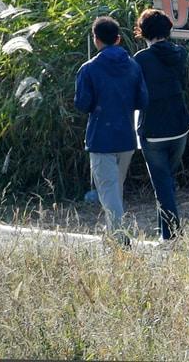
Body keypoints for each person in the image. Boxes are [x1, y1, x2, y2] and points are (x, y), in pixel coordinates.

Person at [73, 16, 148, 244]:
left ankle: (120, 239)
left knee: (108, 191)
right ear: (117, 39)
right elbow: (142, 101)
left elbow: (82, 104)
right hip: (126, 138)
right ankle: (113, 237)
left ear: (96, 39)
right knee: (115, 191)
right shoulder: (133, 65)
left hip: (101, 138)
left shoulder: (89, 68)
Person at [133, 9, 189, 241]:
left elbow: (136, 95)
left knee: (162, 183)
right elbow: (184, 84)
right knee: (166, 180)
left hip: (153, 130)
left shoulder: (140, 60)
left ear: (143, 32)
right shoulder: (181, 53)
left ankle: (171, 236)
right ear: (168, 30)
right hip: (180, 126)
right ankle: (164, 230)